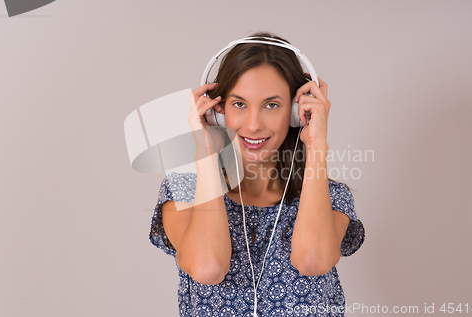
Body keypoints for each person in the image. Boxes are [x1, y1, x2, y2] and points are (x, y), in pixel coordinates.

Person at [149, 32, 365, 317]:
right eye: (239, 104)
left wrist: (316, 145)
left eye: (271, 105)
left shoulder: (331, 197)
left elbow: (313, 261)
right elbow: (208, 267)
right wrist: (205, 150)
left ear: (296, 110)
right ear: (218, 111)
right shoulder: (184, 190)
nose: (252, 125)